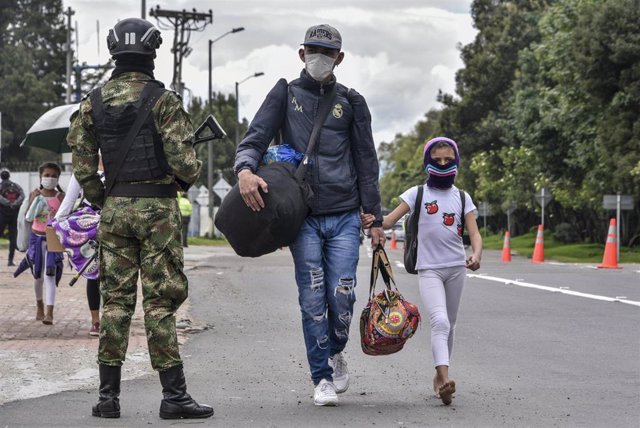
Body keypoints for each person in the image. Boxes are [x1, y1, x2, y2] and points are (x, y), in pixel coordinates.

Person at [67, 17, 213, 420]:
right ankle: (173, 397)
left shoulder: (91, 103)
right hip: (158, 214)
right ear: (152, 50)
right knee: (160, 302)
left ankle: (108, 399)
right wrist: (182, 173)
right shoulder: (164, 100)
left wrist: (104, 200)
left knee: (115, 302)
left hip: (114, 212)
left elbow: (81, 169)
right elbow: (186, 165)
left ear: (114, 50)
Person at [234, 23, 386, 406]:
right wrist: (245, 171)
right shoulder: (284, 94)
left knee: (343, 293)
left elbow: (367, 161)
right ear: (302, 54)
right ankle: (321, 377)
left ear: (340, 58)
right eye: (314, 50)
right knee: (313, 297)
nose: (321, 57)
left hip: (346, 216)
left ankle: (335, 350)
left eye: (328, 52)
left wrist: (376, 217)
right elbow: (254, 138)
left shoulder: (351, 102)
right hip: (302, 217)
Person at [362, 137, 483, 406]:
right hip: (429, 270)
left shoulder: (462, 197)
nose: (442, 165)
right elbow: (390, 219)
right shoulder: (417, 193)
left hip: (456, 269)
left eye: (447, 161)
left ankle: (439, 379)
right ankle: (445, 376)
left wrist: (476, 254)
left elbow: (474, 232)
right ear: (427, 162)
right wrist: (372, 221)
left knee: (449, 325)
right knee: (439, 321)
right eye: (436, 160)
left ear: (456, 162)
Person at [54, 158, 104, 337]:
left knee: (116, 276)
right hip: (89, 222)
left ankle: (116, 319)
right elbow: (69, 200)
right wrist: (56, 223)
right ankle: (96, 321)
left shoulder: (120, 166)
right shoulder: (82, 170)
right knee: (94, 275)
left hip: (115, 218)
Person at [24, 162, 65, 325]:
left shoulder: (60, 197)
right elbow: (28, 217)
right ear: (41, 176)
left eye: (54, 176)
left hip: (53, 238)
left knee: (50, 274)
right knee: (37, 275)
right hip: (36, 238)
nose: (50, 178)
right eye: (47, 175)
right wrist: (32, 200)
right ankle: (39, 304)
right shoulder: (35, 194)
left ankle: (50, 312)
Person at [0, 170, 25, 266]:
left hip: (2, 214)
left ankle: (10, 260)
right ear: (9, 176)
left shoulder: (1, 186)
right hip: (14, 214)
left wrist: (7, 203)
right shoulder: (15, 186)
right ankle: (10, 261)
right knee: (13, 237)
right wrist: (14, 203)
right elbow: (22, 195)